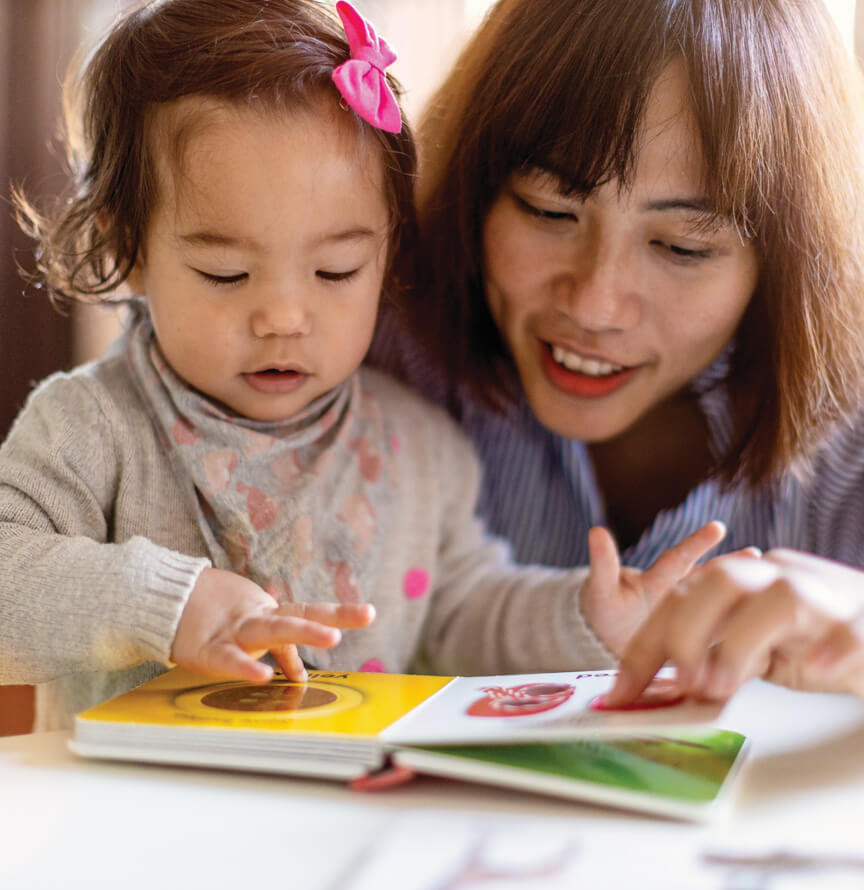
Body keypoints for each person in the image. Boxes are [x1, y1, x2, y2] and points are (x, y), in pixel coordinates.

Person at [2, 0, 722, 731]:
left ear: (389, 254)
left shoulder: (419, 447)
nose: (284, 316)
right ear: (128, 248)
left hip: (351, 823)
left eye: (338, 271)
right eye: (226, 273)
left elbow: (464, 618)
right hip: (131, 822)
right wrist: (166, 604)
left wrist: (587, 618)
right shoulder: (88, 429)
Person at [368, 0, 864, 703]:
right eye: (548, 210)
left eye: (682, 247)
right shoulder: (378, 343)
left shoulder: (851, 408)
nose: (594, 304)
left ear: (786, 264)